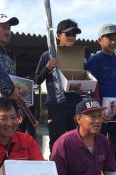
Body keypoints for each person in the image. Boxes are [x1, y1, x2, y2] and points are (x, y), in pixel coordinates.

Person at [35, 19, 83, 151]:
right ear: (57, 36)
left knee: (76, 142)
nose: (72, 37)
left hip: (75, 105)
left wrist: (82, 89)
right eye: (68, 34)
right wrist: (47, 68)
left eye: (74, 34)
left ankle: (74, 170)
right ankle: (56, 169)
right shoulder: (48, 56)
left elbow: (83, 82)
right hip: (56, 106)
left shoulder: (80, 56)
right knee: (57, 142)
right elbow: (37, 80)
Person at [86, 23, 116, 145]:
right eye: (110, 39)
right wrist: (97, 109)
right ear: (100, 40)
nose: (113, 42)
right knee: (98, 142)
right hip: (100, 110)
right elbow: (93, 88)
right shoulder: (94, 60)